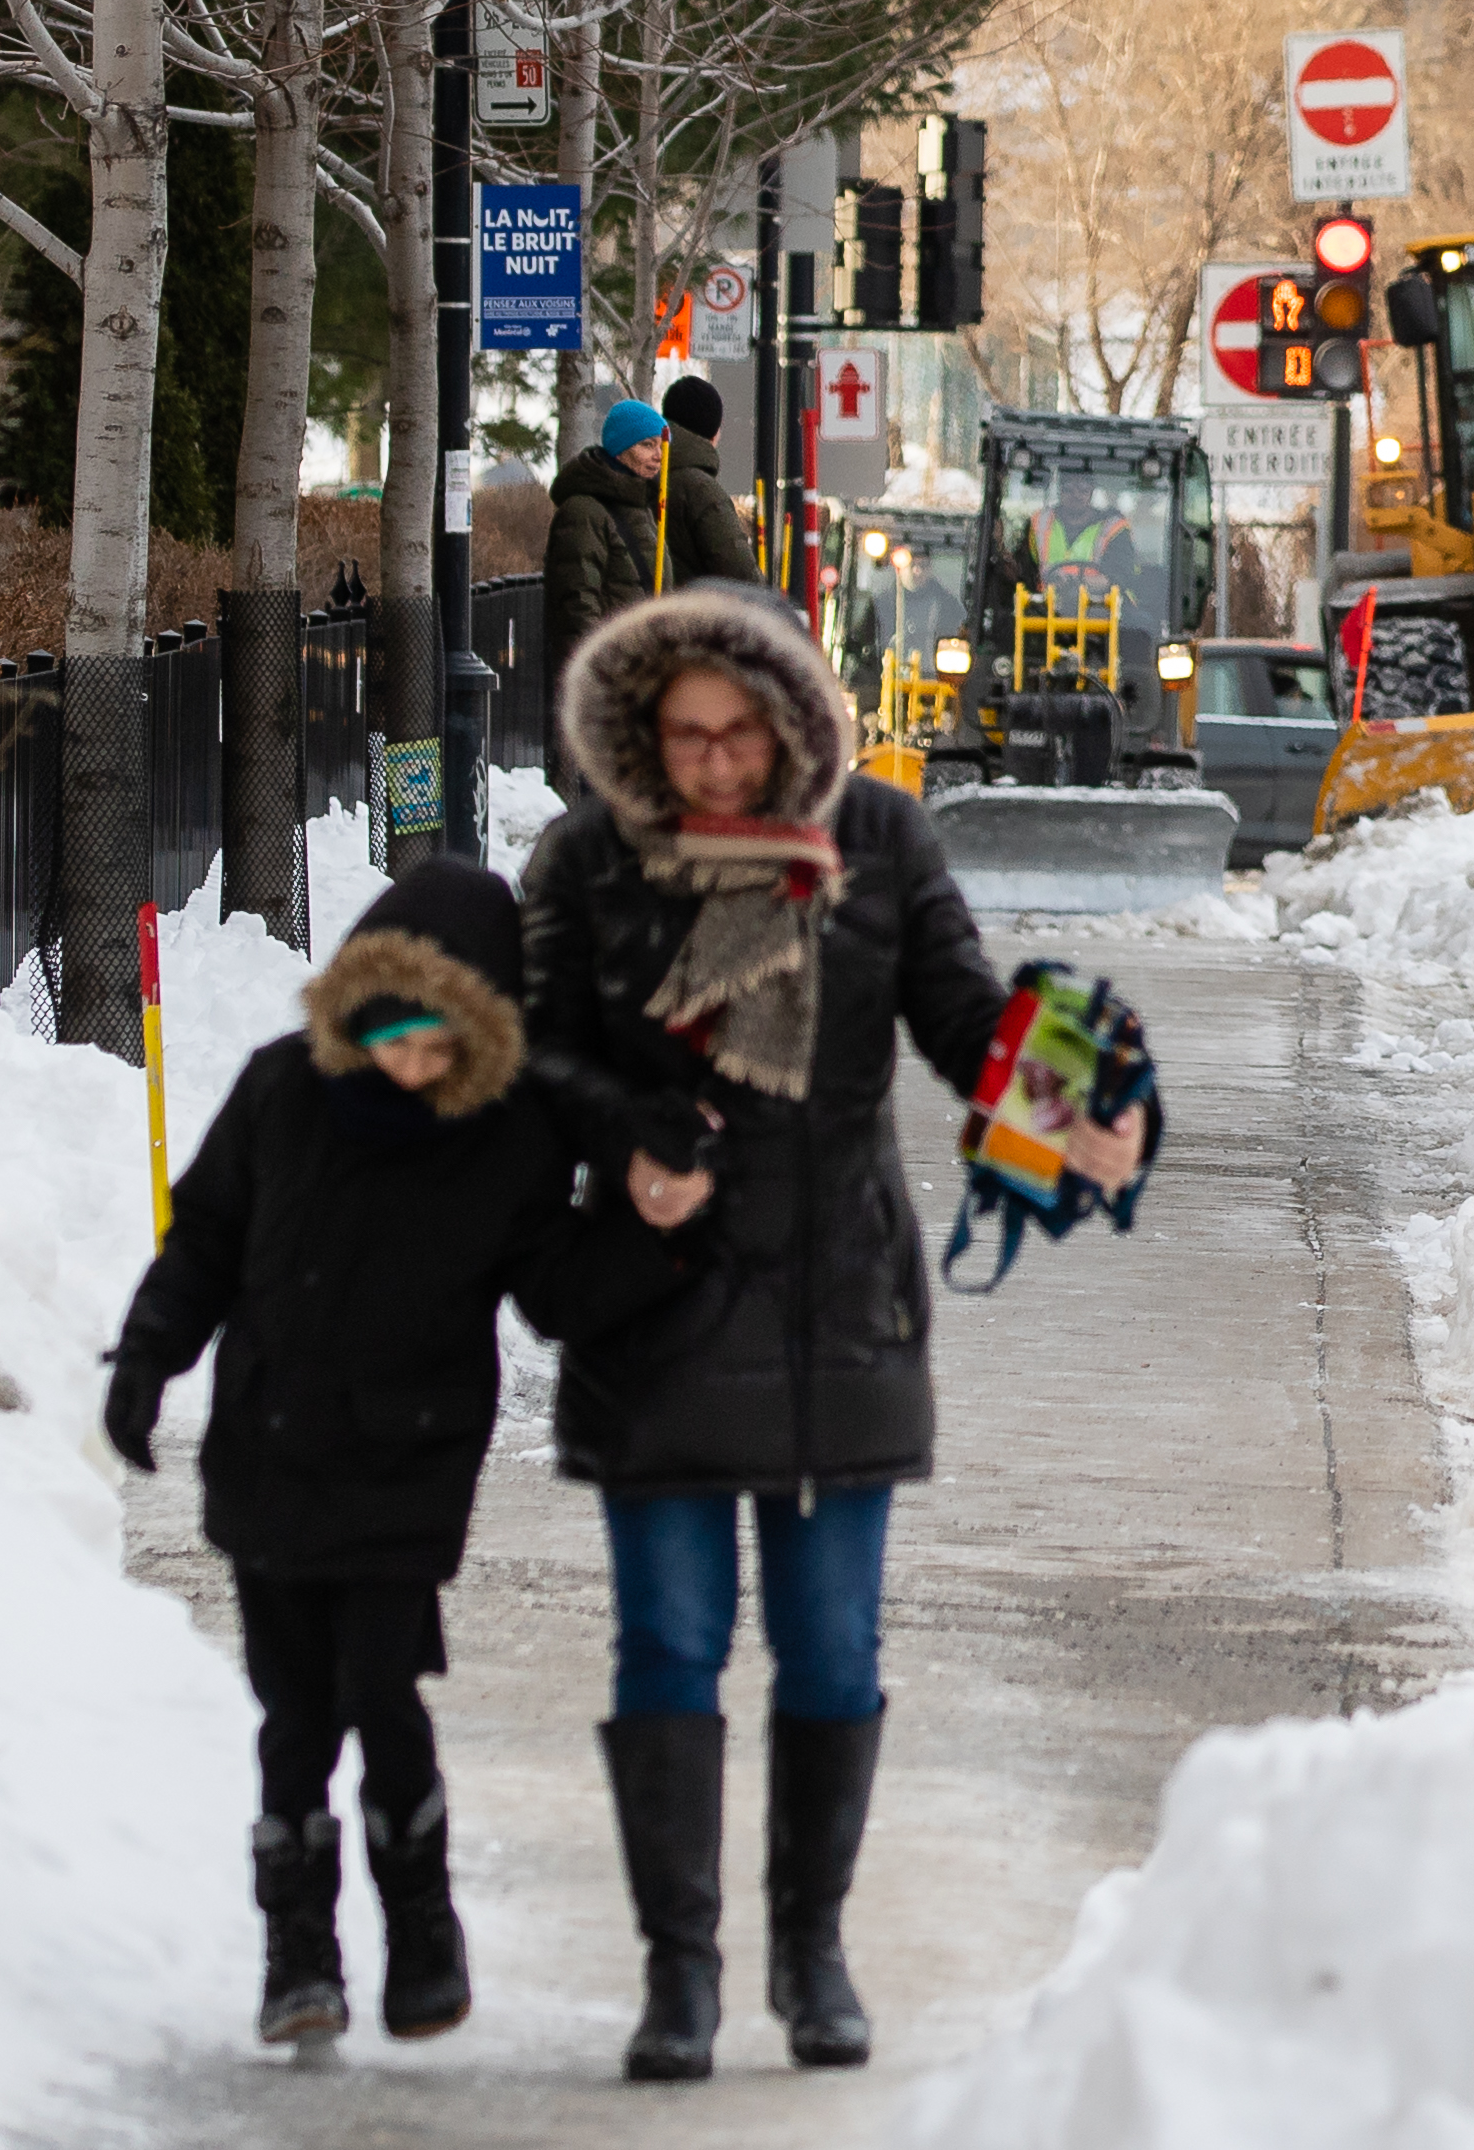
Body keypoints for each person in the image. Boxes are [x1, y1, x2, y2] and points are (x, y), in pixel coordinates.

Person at [525, 584, 1069, 2081]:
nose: (709, 764)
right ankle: (679, 1977)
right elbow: (536, 1042)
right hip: (662, 1308)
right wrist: (629, 1126)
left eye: (736, 733)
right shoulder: (590, 855)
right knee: (669, 1650)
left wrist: (1068, 1082)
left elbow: (959, 1016)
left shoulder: (880, 840)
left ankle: (811, 1950)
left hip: (840, 1304)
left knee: (830, 1653)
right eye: (681, 734)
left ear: (792, 720)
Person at [103, 861, 701, 2051]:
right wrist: (144, 1360)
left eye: (441, 1046)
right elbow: (208, 1237)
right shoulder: (281, 1091)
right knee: (291, 1716)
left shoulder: (503, 1135)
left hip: (408, 1465)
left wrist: (659, 1232)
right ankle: (299, 1953)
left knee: (380, 1692)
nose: (412, 1066)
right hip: (271, 1452)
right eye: (393, 1037)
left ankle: (423, 1930)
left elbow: (558, 1288)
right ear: (356, 1009)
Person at [543, 399, 672, 737]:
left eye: (659, 445)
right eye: (646, 445)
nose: (657, 455)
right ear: (619, 448)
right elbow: (577, 599)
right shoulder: (585, 511)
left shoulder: (641, 505)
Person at [656, 376, 761, 591]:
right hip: (691, 618)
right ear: (714, 432)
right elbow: (742, 576)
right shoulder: (701, 491)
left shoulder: (642, 473)